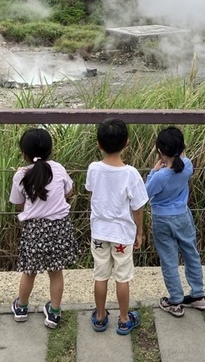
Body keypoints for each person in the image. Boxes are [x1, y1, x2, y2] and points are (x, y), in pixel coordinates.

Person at [9, 127, 79, 328]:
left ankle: (21, 308)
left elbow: (18, 203)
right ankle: (54, 312)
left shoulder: (21, 175)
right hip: (59, 227)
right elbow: (69, 191)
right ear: (51, 150)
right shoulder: (58, 168)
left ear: (24, 153)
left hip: (35, 230)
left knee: (29, 271)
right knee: (55, 272)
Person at [86, 118, 149, 335]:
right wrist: (139, 232)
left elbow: (91, 190)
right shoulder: (131, 174)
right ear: (127, 143)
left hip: (99, 232)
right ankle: (123, 319)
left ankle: (101, 316)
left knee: (100, 274)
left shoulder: (94, 168)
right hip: (122, 234)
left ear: (99, 145)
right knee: (122, 277)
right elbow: (138, 208)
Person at [145, 127, 205, 317]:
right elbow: (181, 162)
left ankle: (175, 300)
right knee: (191, 254)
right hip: (183, 216)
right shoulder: (188, 166)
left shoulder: (160, 176)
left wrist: (152, 172)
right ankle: (198, 295)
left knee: (169, 259)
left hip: (162, 219)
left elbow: (145, 193)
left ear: (160, 152)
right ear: (182, 148)